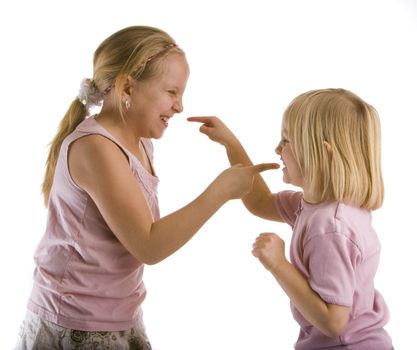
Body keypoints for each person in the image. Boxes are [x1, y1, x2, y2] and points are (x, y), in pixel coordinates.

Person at [15, 25, 278, 350]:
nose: (180, 106)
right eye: (172, 92)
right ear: (127, 88)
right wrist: (219, 192)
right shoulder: (96, 148)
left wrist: (232, 148)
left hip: (119, 314)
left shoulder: (138, 142)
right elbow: (148, 245)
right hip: (74, 322)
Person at [188, 88, 393, 349]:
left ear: (321, 153)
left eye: (286, 141)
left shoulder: (330, 227)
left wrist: (278, 264)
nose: (277, 149)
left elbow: (334, 323)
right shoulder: (317, 206)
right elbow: (260, 202)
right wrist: (231, 144)